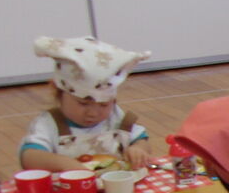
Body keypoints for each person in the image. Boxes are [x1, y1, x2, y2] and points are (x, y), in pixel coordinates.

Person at [20, 36, 152, 172]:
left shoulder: (115, 116)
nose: (93, 113)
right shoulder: (48, 124)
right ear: (58, 91)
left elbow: (141, 139)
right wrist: (64, 163)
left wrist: (138, 149)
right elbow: (29, 157)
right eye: (83, 103)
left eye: (104, 105)